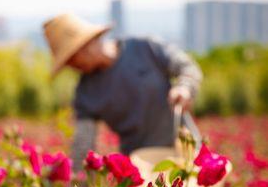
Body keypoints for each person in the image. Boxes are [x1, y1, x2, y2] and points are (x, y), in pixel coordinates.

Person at [42, 13, 203, 171]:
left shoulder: (144, 48)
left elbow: (187, 67)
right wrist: (77, 182)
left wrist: (185, 87)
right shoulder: (86, 92)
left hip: (185, 152)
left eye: (71, 59)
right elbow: (84, 142)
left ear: (84, 46)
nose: (71, 66)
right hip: (140, 167)